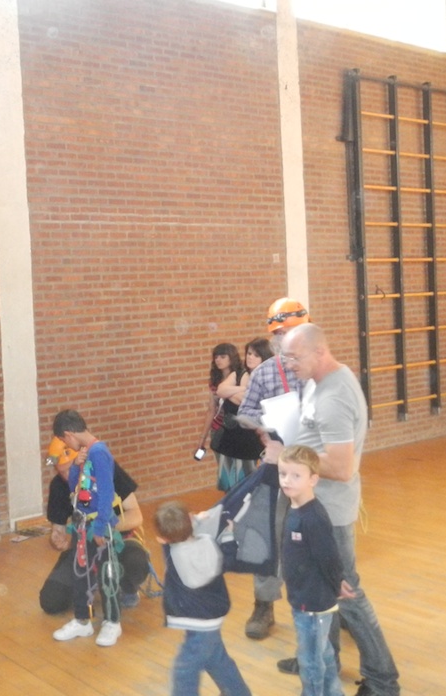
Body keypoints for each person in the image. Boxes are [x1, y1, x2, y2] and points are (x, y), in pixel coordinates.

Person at [264, 323, 401, 696]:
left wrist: (285, 456)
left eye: (294, 357)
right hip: (312, 502)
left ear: (319, 352)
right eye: (285, 357)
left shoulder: (335, 396)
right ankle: (326, 661)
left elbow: (342, 468)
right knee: (323, 589)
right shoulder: (317, 381)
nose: (288, 364)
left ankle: (383, 681)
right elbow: (315, 440)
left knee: (347, 593)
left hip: (329, 512)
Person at [237, 298, 310, 642]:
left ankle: (334, 603)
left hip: (317, 463)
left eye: (290, 331)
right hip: (278, 463)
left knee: (322, 535)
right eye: (279, 333)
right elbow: (246, 413)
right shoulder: (265, 372)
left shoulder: (322, 369)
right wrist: (267, 428)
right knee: (266, 533)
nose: (284, 338)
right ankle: (263, 604)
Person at [39, 436, 151, 614]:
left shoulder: (107, 470)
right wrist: (56, 539)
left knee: (136, 564)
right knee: (51, 600)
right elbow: (58, 530)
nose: (68, 476)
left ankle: (125, 586)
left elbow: (136, 515)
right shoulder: (58, 486)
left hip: (120, 540)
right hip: (83, 547)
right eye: (62, 471)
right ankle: (95, 579)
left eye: (71, 468)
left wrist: (101, 528)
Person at [279, 444, 355, 696]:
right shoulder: (295, 508)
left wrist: (336, 583)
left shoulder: (312, 518)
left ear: (313, 479)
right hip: (305, 598)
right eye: (283, 474)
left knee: (311, 663)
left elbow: (329, 556)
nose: (287, 480)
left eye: (296, 475)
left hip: (312, 604)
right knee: (324, 655)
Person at [154, 500, 253, 696]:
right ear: (190, 520)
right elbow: (227, 559)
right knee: (219, 662)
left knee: (184, 671)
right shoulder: (208, 544)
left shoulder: (173, 554)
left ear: (161, 539)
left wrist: (194, 521)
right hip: (212, 615)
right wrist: (228, 536)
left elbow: (175, 538)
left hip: (196, 622)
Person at [50, 410, 123, 647]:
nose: (66, 446)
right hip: (82, 523)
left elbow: (107, 492)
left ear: (69, 434)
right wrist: (75, 466)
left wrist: (100, 527)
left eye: (64, 441)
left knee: (107, 573)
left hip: (99, 524)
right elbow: (75, 487)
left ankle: (113, 622)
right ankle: (83, 620)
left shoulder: (99, 452)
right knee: (80, 573)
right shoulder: (85, 453)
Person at [198, 343, 249, 491]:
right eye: (216, 357)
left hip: (238, 431)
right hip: (219, 430)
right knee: (225, 475)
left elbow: (244, 401)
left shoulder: (242, 375)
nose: (218, 360)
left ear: (231, 357)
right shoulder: (215, 380)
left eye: (222, 356)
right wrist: (202, 439)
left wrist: (229, 392)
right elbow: (211, 410)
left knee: (242, 474)